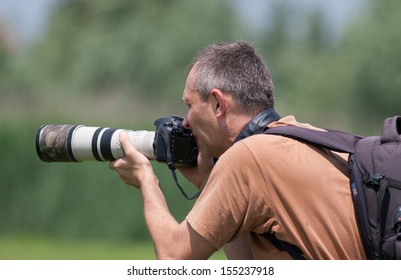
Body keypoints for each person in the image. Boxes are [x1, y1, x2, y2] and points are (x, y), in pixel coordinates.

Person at [109, 41, 366, 260]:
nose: (185, 121)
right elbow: (246, 264)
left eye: (190, 105)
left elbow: (174, 258)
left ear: (218, 103)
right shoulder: (300, 135)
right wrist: (208, 183)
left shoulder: (248, 157)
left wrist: (145, 179)